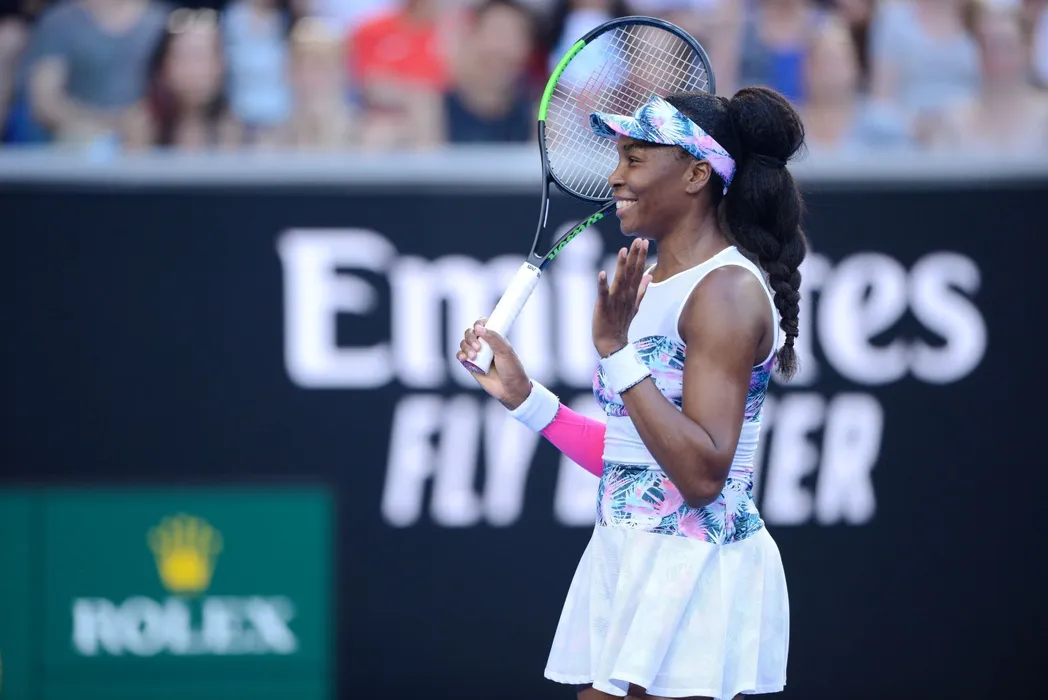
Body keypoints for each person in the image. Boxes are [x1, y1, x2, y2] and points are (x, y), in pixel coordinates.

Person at [457, 85, 806, 700]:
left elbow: (701, 475)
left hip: (694, 566)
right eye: (618, 158)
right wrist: (527, 399)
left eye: (635, 159)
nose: (614, 176)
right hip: (633, 553)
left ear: (697, 174)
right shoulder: (649, 282)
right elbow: (637, 464)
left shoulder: (725, 291)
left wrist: (617, 353)